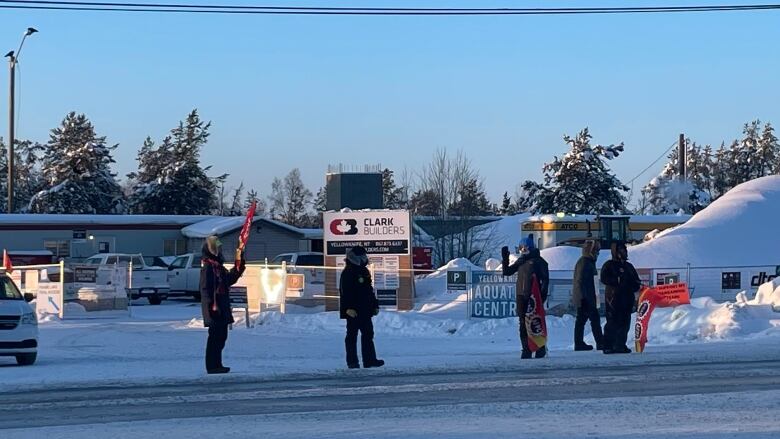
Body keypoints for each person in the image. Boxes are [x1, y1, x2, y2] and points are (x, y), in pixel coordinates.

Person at [200, 235, 246, 374]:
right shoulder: (208, 266)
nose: (220, 250)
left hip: (221, 306)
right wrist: (210, 307)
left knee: (221, 336)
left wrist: (239, 266)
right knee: (215, 337)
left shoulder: (217, 266)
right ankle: (212, 366)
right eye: (218, 248)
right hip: (215, 308)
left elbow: (228, 279)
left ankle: (217, 364)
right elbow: (205, 288)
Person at [502, 234, 549, 359]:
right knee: (523, 323)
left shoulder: (539, 262)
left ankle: (540, 347)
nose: (522, 250)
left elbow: (545, 280)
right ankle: (526, 349)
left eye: (524, 248)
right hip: (521, 295)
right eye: (521, 248)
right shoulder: (521, 261)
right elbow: (507, 272)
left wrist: (542, 296)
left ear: (530, 247)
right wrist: (505, 258)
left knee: (535, 322)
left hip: (533, 297)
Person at [340, 246, 384, 369]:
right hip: (353, 310)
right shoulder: (348, 271)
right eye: (361, 256)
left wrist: (374, 305)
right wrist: (348, 308)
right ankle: (352, 362)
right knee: (352, 336)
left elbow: (369, 290)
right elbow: (345, 292)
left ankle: (369, 359)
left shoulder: (364, 271)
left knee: (368, 334)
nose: (364, 259)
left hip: (365, 309)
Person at [600, 242, 641, 354]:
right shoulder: (609, 265)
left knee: (624, 323)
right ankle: (608, 345)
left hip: (627, 299)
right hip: (613, 299)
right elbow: (604, 278)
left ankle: (620, 345)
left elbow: (636, 281)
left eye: (624, 250)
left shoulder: (629, 266)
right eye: (621, 250)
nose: (624, 252)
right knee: (612, 322)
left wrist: (635, 285)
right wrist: (616, 280)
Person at [572, 240, 604, 351]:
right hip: (586, 297)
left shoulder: (586, 262)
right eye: (596, 251)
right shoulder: (585, 263)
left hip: (587, 297)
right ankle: (599, 342)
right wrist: (583, 297)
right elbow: (580, 281)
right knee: (592, 320)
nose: (597, 254)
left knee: (583, 320)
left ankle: (580, 342)